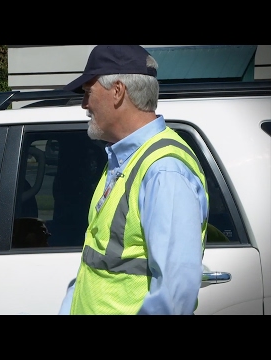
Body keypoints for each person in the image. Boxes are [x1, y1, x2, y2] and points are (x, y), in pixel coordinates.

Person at [58, 45, 209, 315]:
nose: (84, 104)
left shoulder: (164, 170)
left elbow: (174, 296)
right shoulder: (124, 160)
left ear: (117, 91)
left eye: (87, 92)